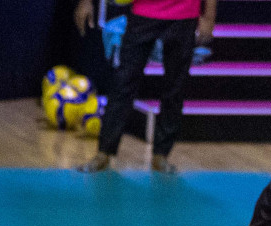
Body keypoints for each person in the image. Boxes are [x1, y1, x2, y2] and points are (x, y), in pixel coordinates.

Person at [75, 0, 216, 174]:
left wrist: (209, 17)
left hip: (184, 15)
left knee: (175, 88)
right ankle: (104, 152)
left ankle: (161, 155)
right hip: (143, 12)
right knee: (123, 83)